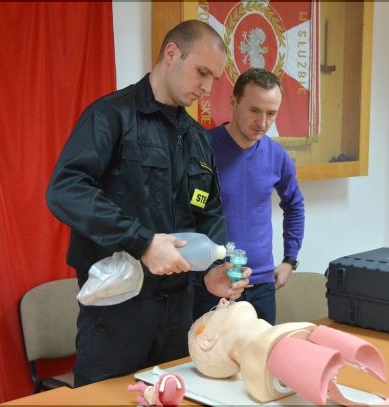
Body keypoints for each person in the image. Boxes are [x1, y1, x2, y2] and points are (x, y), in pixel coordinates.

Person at [46, 20, 251, 387]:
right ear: (171, 54)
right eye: (202, 72)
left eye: (214, 78)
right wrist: (142, 242)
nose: (207, 87)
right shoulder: (111, 116)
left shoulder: (197, 138)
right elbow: (66, 190)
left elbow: (209, 212)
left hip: (178, 313)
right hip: (116, 311)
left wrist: (214, 269)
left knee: (174, 395)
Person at [192, 68, 304, 324]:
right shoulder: (202, 149)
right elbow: (185, 212)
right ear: (233, 103)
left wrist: (290, 260)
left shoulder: (276, 155)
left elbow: (295, 205)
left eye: (271, 113)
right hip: (212, 283)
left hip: (261, 285)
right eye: (254, 110)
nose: (262, 123)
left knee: (260, 352)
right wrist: (202, 272)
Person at [188, 299, 389, 406]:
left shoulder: (281, 340)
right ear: (207, 340)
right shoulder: (266, 349)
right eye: (214, 311)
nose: (222, 302)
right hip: (273, 349)